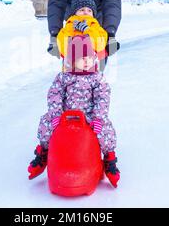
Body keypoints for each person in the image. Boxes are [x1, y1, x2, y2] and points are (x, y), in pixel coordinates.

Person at [28, 35, 120, 188]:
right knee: (45, 122)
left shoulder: (97, 78)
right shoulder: (64, 77)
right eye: (81, 58)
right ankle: (43, 152)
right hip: (65, 115)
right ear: (71, 60)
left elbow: (103, 97)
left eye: (89, 57)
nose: (86, 61)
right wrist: (56, 115)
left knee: (106, 130)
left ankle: (109, 158)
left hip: (89, 117)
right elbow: (54, 94)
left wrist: (98, 119)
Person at [56, 0, 108, 64]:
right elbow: (63, 47)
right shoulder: (70, 26)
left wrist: (87, 30)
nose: (86, 12)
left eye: (89, 10)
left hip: (92, 67)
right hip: (72, 67)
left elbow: (100, 45)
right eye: (82, 10)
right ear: (75, 12)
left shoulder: (96, 27)